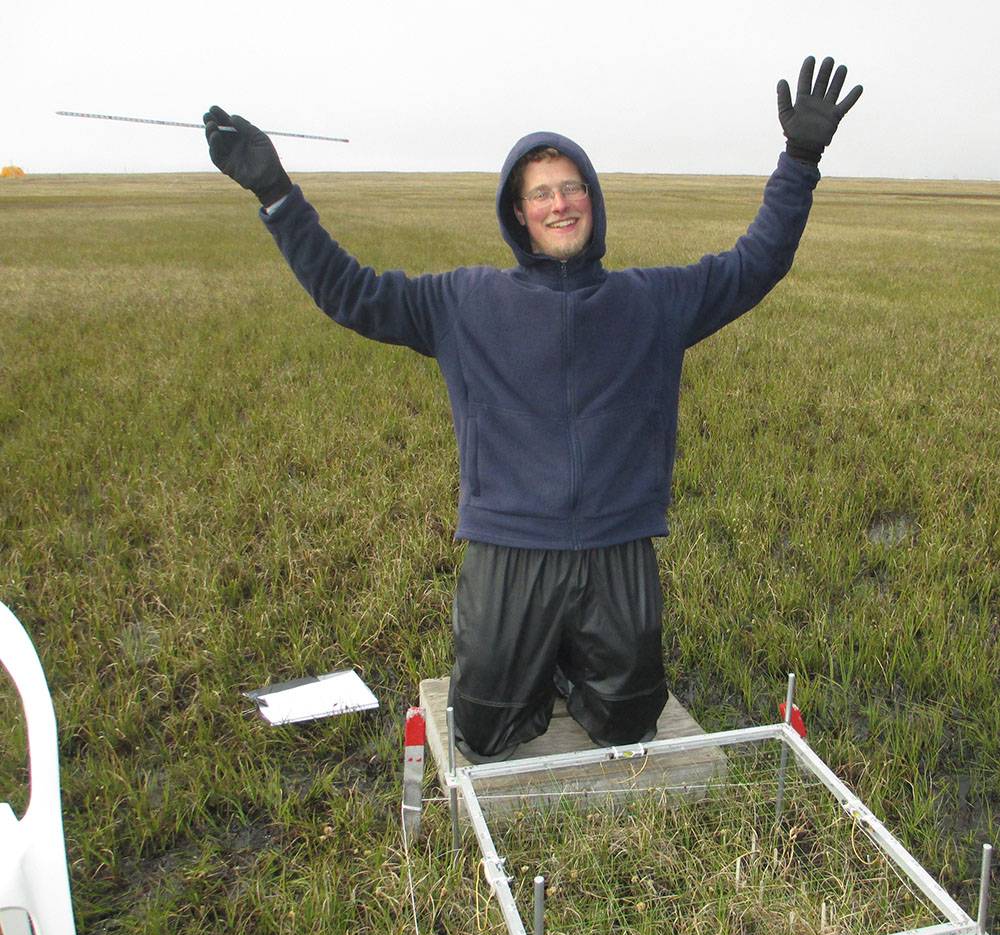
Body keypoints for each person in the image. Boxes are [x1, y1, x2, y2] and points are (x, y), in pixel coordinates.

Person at [204, 56, 862, 762]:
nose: (560, 204)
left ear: (592, 199)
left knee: (630, 723)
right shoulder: (462, 302)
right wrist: (276, 193)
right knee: (483, 734)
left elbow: (756, 262)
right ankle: (531, 662)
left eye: (572, 188)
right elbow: (349, 292)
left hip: (617, 546)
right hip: (510, 548)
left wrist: (800, 159)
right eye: (542, 193)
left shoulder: (653, 301)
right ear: (519, 213)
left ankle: (573, 668)